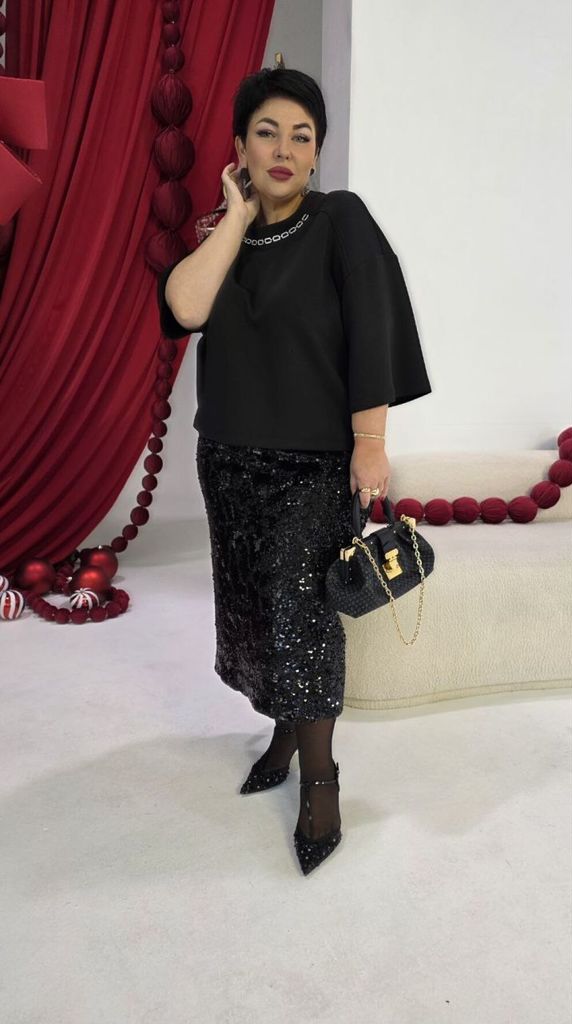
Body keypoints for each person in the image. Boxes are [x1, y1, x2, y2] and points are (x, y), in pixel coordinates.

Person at [156, 66, 432, 875]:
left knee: (304, 625)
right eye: (267, 133)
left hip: (312, 468)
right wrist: (235, 219)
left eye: (301, 136)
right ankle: (280, 730)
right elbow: (185, 307)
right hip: (227, 462)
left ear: (317, 153)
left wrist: (371, 441)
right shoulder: (228, 236)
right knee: (252, 614)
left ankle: (320, 780)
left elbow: (374, 325)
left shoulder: (340, 219)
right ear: (240, 148)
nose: (284, 148)